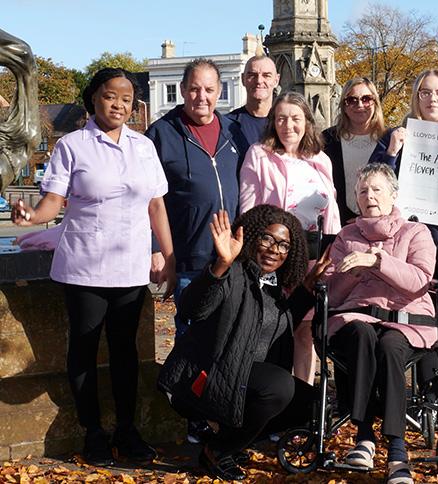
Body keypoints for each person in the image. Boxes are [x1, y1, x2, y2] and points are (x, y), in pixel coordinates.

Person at [12, 68, 175, 466]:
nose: (118, 104)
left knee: (126, 352)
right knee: (83, 352)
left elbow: (156, 205)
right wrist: (32, 216)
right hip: (84, 265)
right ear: (93, 100)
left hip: (131, 267)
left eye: (126, 98)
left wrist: (169, 258)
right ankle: (93, 433)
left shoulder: (143, 146)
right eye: (109, 96)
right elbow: (54, 202)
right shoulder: (72, 145)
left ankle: (127, 430)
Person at [158, 206, 319, 481]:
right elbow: (191, 309)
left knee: (312, 404)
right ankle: (218, 450)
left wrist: (307, 289)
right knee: (279, 386)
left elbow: (278, 322)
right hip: (203, 380)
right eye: (267, 239)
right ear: (252, 237)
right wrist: (220, 264)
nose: (273, 250)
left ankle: (233, 439)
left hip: (242, 382)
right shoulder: (231, 272)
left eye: (283, 245)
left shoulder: (274, 287)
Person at [145, 58, 241, 444]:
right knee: (191, 340)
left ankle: (222, 411)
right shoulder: (161, 133)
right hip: (188, 257)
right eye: (194, 89)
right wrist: (156, 250)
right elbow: (148, 198)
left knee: (229, 340)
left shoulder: (235, 130)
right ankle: (193, 418)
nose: (202, 97)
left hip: (231, 257)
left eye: (209, 89)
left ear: (219, 92)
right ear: (183, 91)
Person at [369, 70, 438, 429]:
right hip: (410, 251)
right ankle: (425, 399)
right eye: (424, 92)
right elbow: (374, 186)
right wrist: (391, 152)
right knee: (418, 321)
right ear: (416, 98)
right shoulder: (396, 137)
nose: (432, 99)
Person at [324, 163, 436, 484]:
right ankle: (364, 436)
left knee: (389, 346)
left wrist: (378, 261)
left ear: (393, 195)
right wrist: (352, 273)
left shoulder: (417, 232)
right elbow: (331, 293)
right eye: (362, 191)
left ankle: (397, 450)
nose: (369, 196)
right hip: (358, 316)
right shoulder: (346, 237)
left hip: (405, 320)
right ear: (356, 201)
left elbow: (418, 281)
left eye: (376, 189)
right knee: (360, 333)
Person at [239, 92, 341, 384]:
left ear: (307, 122)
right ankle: (273, 398)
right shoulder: (259, 155)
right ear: (273, 122)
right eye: (281, 118)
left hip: (312, 257)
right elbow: (248, 211)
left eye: (295, 118)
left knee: (305, 332)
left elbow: (331, 210)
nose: (288, 125)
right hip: (275, 258)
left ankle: (303, 401)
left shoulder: (320, 159)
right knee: (275, 328)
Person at [322, 78, 387, 224]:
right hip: (338, 225)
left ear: (375, 103)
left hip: (380, 225)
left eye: (366, 99)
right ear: (344, 105)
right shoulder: (327, 140)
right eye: (352, 100)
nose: (359, 105)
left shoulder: (389, 140)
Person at [228, 55, 281, 161]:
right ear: (243, 79)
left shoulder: (286, 124)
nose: (259, 81)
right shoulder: (227, 125)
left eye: (266, 75)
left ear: (276, 80)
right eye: (252, 75)